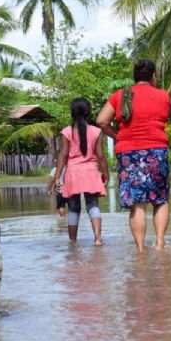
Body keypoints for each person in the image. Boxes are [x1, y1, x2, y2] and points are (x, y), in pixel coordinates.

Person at [96, 59, 171, 252]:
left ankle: (140, 250)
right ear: (153, 76)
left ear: (135, 76)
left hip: (129, 153)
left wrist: (118, 135)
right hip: (157, 150)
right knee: (160, 200)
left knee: (137, 203)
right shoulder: (163, 95)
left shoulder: (121, 95)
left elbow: (101, 120)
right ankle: (160, 245)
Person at [54, 98, 109, 245]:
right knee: (93, 205)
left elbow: (63, 155)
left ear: (72, 113)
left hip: (73, 173)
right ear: (89, 113)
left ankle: (72, 241)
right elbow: (101, 156)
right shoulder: (96, 131)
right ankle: (97, 238)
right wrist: (106, 174)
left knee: (73, 207)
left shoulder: (66, 132)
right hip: (91, 172)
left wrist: (57, 176)